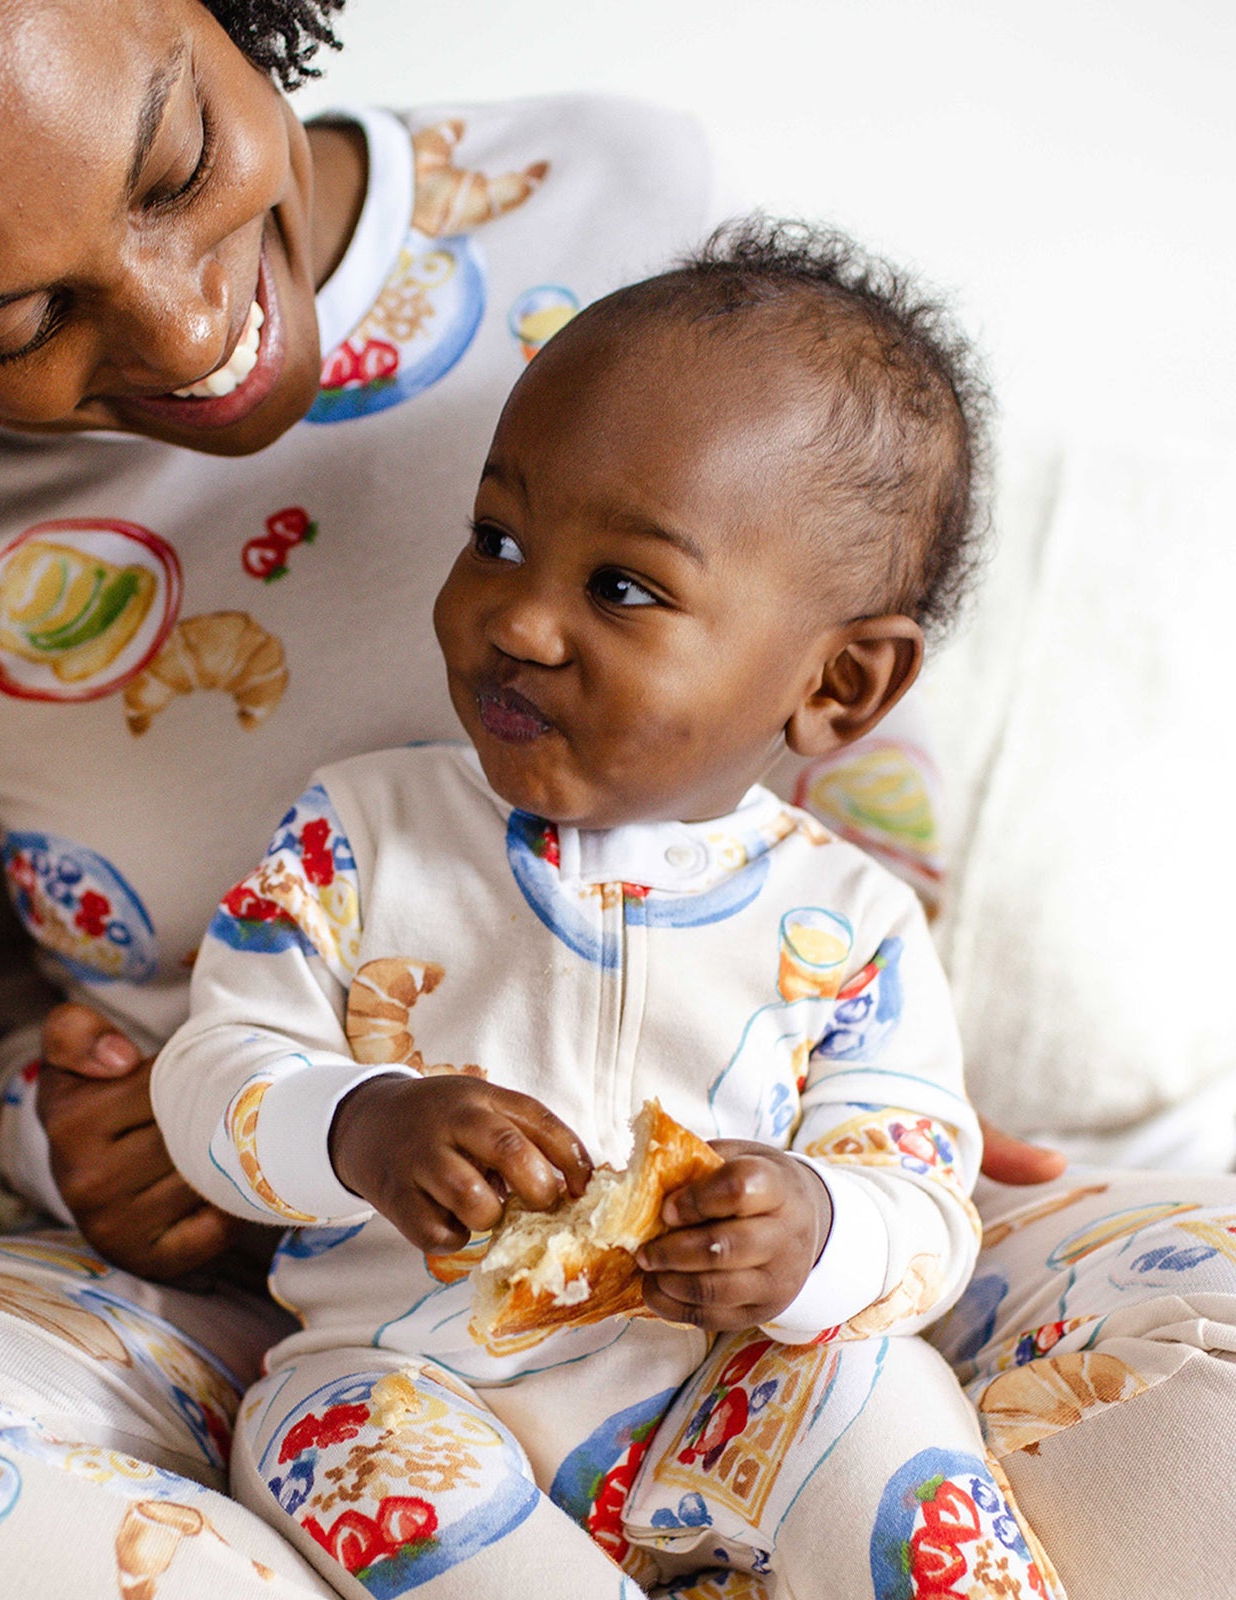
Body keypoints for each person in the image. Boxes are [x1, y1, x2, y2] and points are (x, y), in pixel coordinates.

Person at [0, 3, 1232, 1597]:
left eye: (177, 162)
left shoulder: (622, 198)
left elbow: (834, 728)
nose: (193, 333)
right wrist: (110, 1144)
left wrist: (864, 1193)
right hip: (302, 1321)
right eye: (6, 320)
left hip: (774, 1296)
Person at [151, 228, 1061, 1599]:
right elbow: (210, 1076)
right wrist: (357, 1121)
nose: (517, 620)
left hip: (732, 1392)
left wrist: (817, 1233)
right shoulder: (361, 830)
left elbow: (926, 1205)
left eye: (622, 587)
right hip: (410, 1379)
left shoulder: (852, 921)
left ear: (841, 687)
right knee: (316, 1440)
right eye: (499, 540)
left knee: (881, 1397)